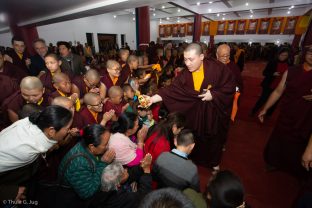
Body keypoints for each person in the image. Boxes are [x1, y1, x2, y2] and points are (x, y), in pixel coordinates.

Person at [146, 43, 236, 169]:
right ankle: (195, 158)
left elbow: (230, 86)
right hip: (194, 112)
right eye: (185, 59)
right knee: (195, 135)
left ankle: (214, 162)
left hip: (212, 111)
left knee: (213, 137)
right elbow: (172, 90)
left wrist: (215, 94)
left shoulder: (218, 69)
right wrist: (152, 99)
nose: (187, 63)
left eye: (191, 59)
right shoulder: (185, 74)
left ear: (201, 57)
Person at [258, 46, 312, 185]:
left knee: (299, 143)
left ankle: (297, 169)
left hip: (306, 116)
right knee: (279, 139)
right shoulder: (292, 71)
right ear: (305, 54)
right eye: (310, 52)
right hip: (287, 113)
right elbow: (278, 91)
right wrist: (265, 108)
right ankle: (274, 163)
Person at [0, 106, 73, 201]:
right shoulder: (26, 149)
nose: (68, 131)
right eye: (67, 128)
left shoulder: (37, 127)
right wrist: (9, 192)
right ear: (51, 131)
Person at [58, 125, 115, 201]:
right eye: (105, 144)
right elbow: (87, 193)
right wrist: (103, 163)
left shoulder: (87, 145)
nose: (108, 146)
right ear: (92, 146)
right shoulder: (79, 164)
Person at [251, 47, 290, 116]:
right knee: (263, 100)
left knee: (275, 102)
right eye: (282, 55)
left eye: (285, 56)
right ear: (278, 54)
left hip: (280, 86)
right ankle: (253, 112)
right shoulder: (273, 62)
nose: (283, 57)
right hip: (269, 85)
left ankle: (268, 114)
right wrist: (273, 73)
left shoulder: (289, 64)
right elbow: (264, 73)